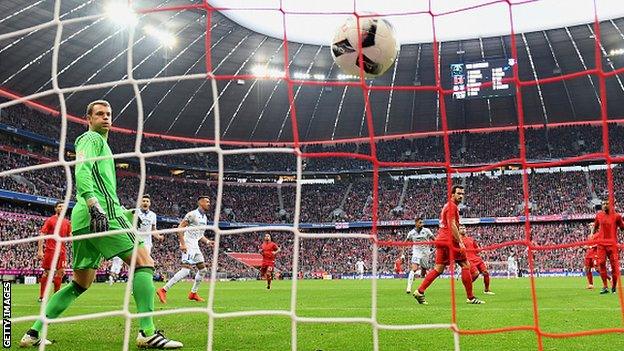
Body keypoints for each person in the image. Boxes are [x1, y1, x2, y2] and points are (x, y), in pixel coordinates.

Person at [19, 100, 182, 348]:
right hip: (100, 213)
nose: (106, 117)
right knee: (144, 263)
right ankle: (147, 332)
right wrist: (95, 204)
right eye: (99, 114)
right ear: (89, 118)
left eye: (108, 113)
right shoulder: (91, 139)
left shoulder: (102, 144)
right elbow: (82, 170)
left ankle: (33, 333)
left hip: (83, 221)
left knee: (79, 284)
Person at [413, 185, 484, 305]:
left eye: (462, 194)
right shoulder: (452, 207)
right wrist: (460, 242)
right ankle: (470, 298)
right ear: (452, 194)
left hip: (441, 239)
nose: (461, 196)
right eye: (458, 193)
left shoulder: (447, 206)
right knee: (465, 265)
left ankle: (420, 291)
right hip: (449, 241)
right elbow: (452, 225)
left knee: (438, 269)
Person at [156, 196, 213, 303]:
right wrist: (182, 244)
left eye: (209, 201)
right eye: (207, 201)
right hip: (188, 244)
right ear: (200, 202)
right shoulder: (192, 214)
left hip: (195, 245)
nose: (209, 203)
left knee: (203, 270)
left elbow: (200, 235)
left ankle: (193, 293)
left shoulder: (204, 218)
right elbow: (180, 228)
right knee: (186, 270)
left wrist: (208, 242)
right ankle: (163, 290)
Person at [37, 202, 72, 302]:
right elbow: (42, 234)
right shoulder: (50, 220)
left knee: (61, 273)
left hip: (62, 252)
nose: (61, 208)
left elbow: (70, 236)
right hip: (51, 251)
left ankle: (56, 296)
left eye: (63, 206)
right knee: (47, 273)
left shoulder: (67, 222)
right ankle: (42, 296)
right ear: (55, 208)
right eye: (59, 206)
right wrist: (40, 250)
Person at [593, 199, 624, 294]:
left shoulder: (617, 216)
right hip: (601, 244)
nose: (605, 205)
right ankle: (605, 286)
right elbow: (595, 227)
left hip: (612, 245)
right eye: (603, 204)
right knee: (601, 263)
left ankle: (614, 286)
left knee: (614, 267)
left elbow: (622, 228)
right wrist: (593, 233)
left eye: (607, 203)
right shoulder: (599, 215)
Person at [459, 225, 494, 295]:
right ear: (458, 231)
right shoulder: (458, 240)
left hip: (477, 259)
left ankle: (487, 290)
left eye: (464, 228)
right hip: (468, 260)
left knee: (486, 273)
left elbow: (476, 248)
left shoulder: (470, 239)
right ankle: (467, 286)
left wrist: (482, 251)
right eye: (461, 229)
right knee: (476, 274)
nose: (463, 230)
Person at [405, 216, 435, 294]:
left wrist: (437, 245)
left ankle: (419, 280)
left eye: (422, 222)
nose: (422, 224)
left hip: (425, 252)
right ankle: (409, 287)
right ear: (416, 223)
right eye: (420, 222)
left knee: (423, 271)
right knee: (414, 268)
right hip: (416, 251)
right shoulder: (411, 233)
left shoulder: (427, 231)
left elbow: (434, 239)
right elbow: (405, 242)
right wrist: (402, 254)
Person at [583, 223, 598, 290]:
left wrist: (589, 246)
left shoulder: (598, 235)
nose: (591, 227)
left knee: (598, 269)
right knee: (587, 269)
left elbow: (598, 244)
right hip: (588, 254)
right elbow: (587, 245)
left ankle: (609, 278)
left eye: (592, 225)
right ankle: (590, 284)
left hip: (595, 254)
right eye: (590, 226)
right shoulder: (589, 236)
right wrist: (584, 247)